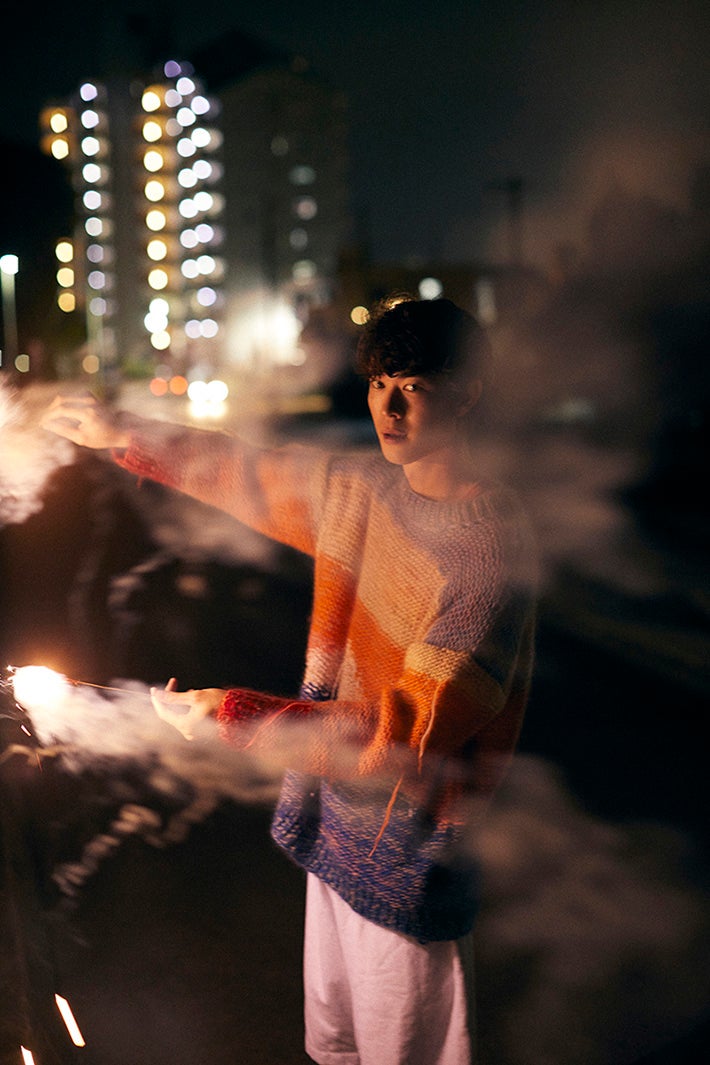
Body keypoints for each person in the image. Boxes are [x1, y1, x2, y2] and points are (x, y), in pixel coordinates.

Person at [43, 294, 536, 1065]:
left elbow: (407, 731)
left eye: (413, 383)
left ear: (466, 392)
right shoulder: (366, 492)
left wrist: (238, 715)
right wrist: (124, 433)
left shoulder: (486, 554)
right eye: (378, 383)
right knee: (335, 1044)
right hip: (335, 824)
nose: (388, 406)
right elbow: (252, 472)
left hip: (408, 857)